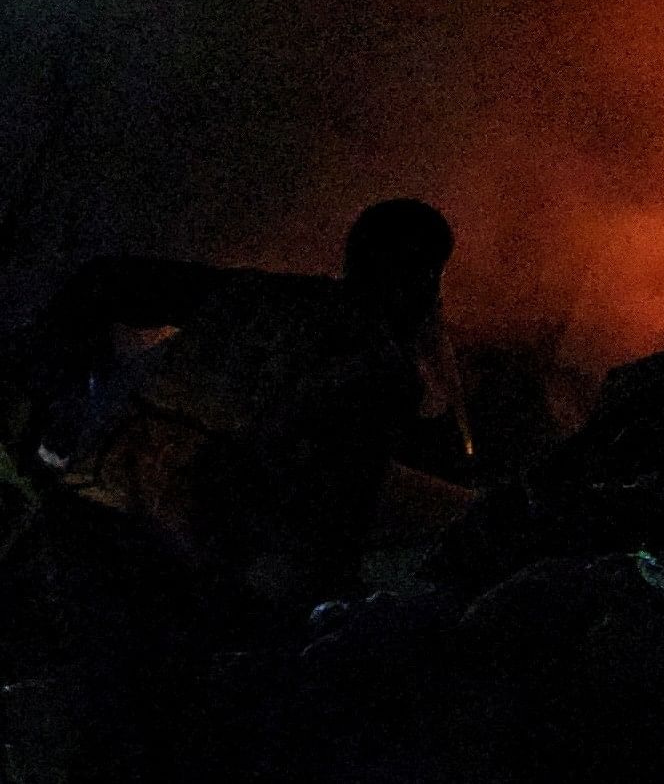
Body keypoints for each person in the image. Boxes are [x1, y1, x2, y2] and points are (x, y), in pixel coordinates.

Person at [17, 198, 459, 613]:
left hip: (92, 509)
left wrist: (48, 406)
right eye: (432, 276)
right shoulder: (380, 368)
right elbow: (337, 511)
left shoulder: (259, 295)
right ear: (419, 278)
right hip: (179, 561)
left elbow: (103, 282)